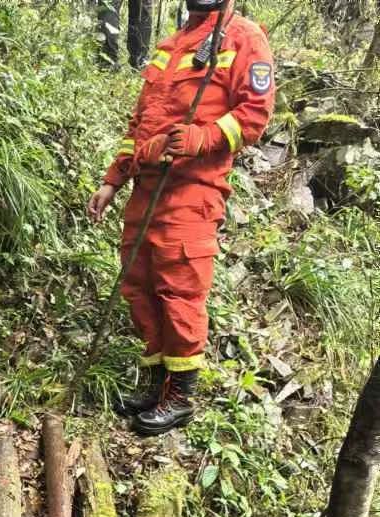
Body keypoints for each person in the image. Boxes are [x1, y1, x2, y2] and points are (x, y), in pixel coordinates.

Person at [87, 0, 274, 435]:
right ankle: (157, 384)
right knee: (139, 285)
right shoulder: (171, 45)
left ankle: (181, 397)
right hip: (144, 189)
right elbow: (140, 123)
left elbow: (254, 116)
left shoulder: (243, 36)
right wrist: (112, 180)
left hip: (192, 192)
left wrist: (203, 136)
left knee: (179, 290)